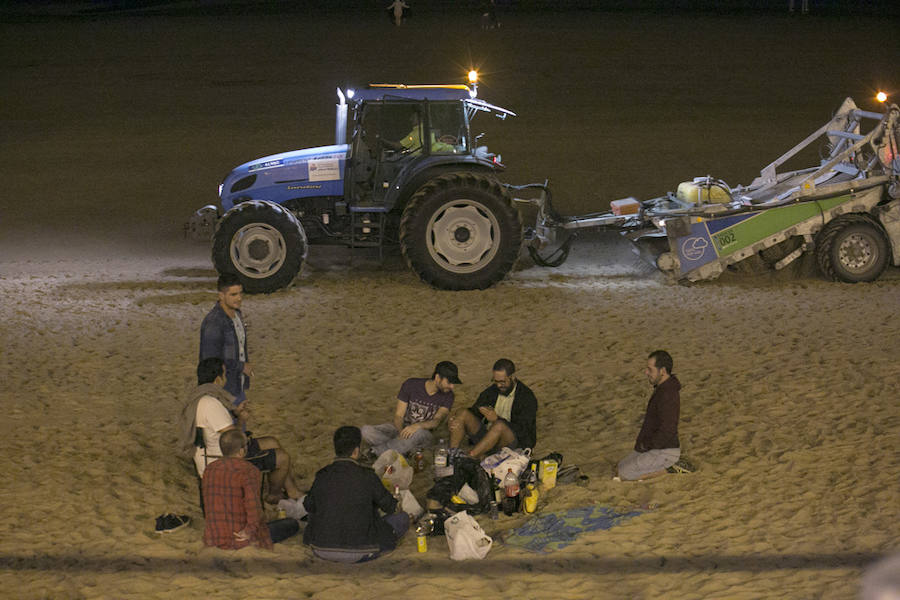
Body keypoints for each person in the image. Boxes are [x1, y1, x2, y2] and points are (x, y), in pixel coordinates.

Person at [179, 357, 301, 503]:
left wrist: (235, 414)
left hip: (211, 453)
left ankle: (292, 490)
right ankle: (274, 495)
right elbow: (234, 438)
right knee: (282, 457)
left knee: (272, 442)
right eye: (224, 374)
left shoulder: (199, 398)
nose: (226, 378)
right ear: (218, 379)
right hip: (222, 460)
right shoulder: (211, 404)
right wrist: (241, 419)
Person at [303, 426, 410, 562]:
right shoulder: (367, 476)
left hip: (321, 548)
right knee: (402, 518)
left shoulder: (322, 475)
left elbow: (308, 505)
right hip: (362, 550)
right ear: (356, 451)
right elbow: (390, 507)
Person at [202, 429, 300, 550]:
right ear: (242, 451)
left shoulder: (209, 469)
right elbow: (253, 508)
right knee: (292, 524)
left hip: (214, 537)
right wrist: (249, 531)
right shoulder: (248, 470)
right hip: (240, 538)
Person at [361, 361, 459, 458]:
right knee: (366, 431)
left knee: (417, 433)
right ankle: (402, 449)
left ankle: (374, 452)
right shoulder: (411, 384)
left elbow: (436, 421)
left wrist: (417, 426)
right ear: (438, 378)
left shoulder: (449, 396)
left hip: (424, 433)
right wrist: (401, 433)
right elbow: (399, 416)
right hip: (403, 427)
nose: (452, 386)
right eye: (449, 382)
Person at [449, 358, 538, 459]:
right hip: (488, 439)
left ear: (512, 377)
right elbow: (474, 412)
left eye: (502, 382)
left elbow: (524, 431)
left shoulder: (526, 397)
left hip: (512, 442)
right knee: (462, 412)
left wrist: (497, 419)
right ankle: (453, 453)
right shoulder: (492, 391)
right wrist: (457, 419)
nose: (499, 385)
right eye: (496, 381)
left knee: (499, 425)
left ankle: (470, 457)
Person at [615, 350, 681, 481]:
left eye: (650, 370)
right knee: (620, 467)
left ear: (662, 371)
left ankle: (669, 470)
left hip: (664, 450)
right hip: (654, 447)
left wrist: (648, 446)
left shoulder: (668, 395)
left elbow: (668, 430)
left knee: (623, 474)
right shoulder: (662, 389)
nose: (646, 373)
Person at [199, 273, 252, 407]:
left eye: (240, 293)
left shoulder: (238, 315)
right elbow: (211, 362)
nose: (239, 298)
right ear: (221, 296)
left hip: (237, 385)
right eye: (233, 295)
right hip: (222, 390)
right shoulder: (214, 323)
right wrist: (241, 367)